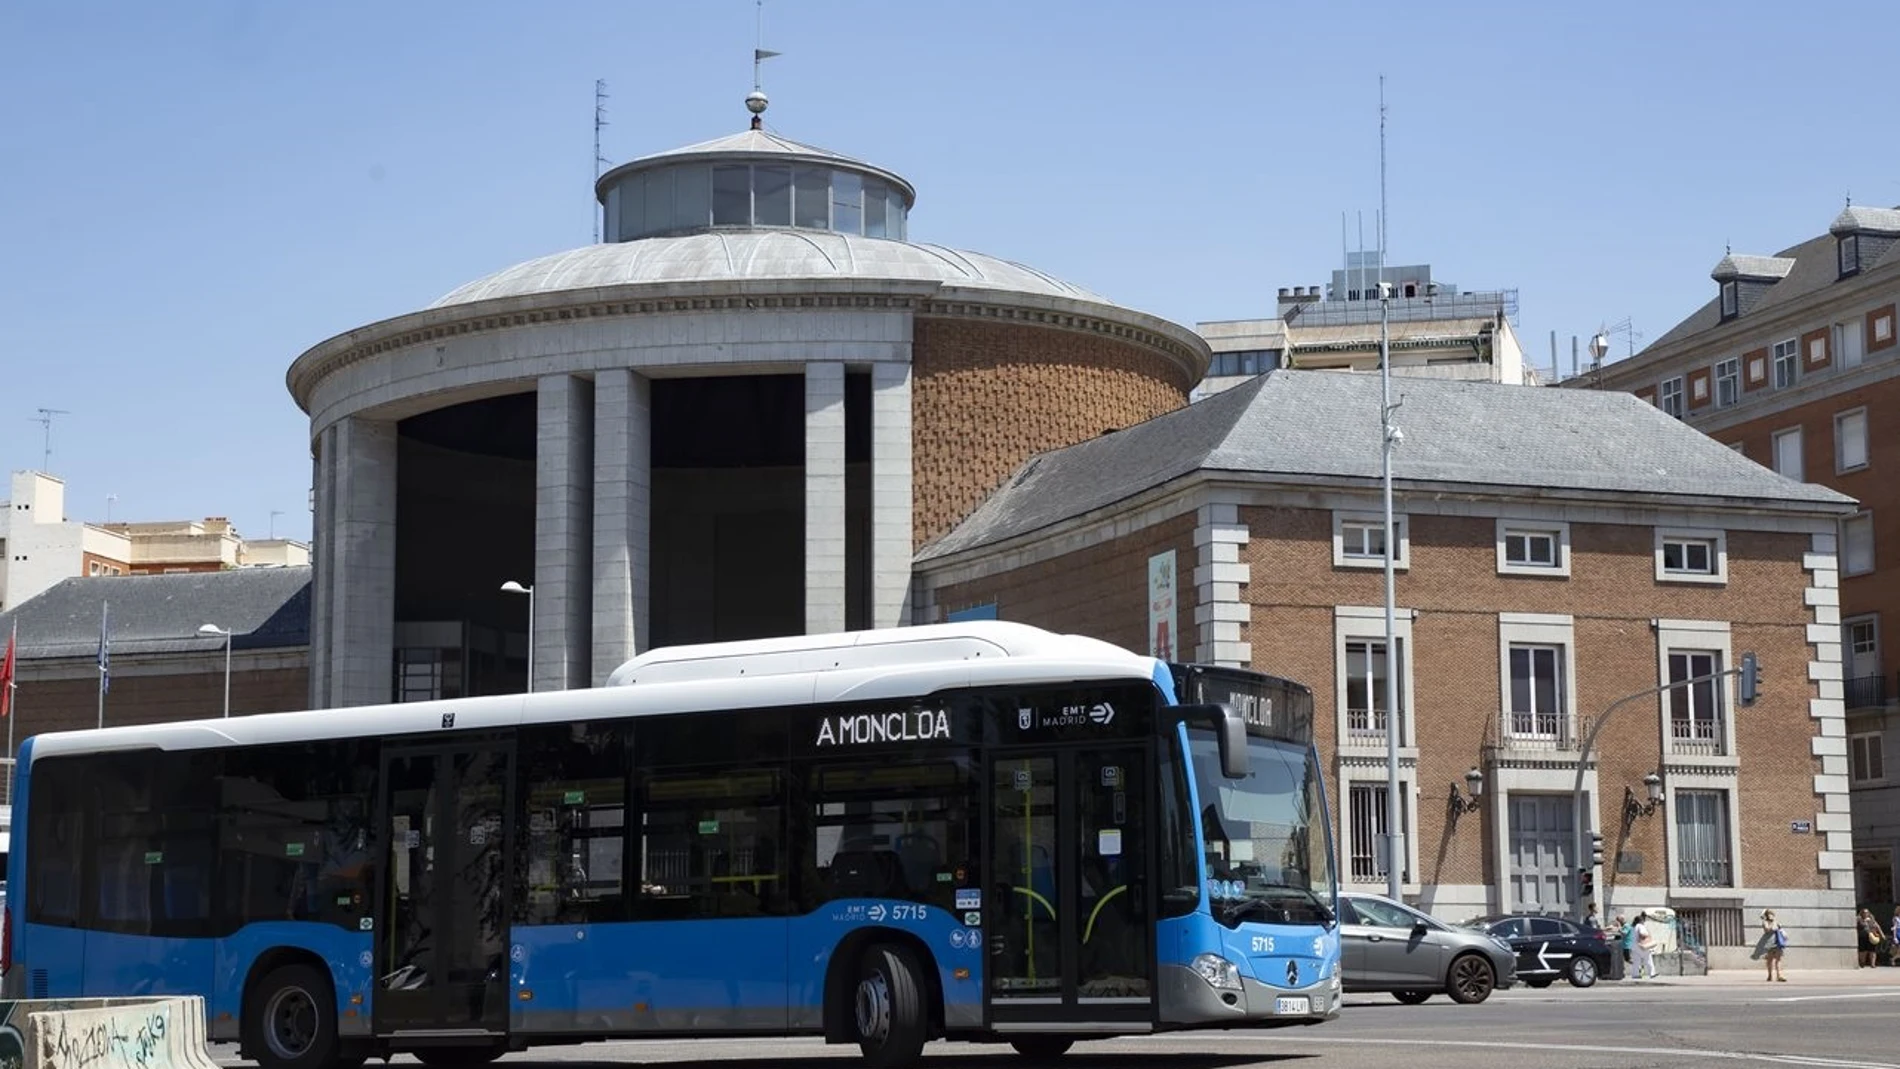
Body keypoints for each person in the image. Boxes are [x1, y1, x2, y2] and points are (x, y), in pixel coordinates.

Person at [1760, 909, 1786, 982]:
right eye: (1769, 914)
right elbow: (1767, 929)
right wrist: (1773, 926)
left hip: (1777, 943)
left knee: (1778, 960)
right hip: (1769, 944)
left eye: (1772, 914)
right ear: (1767, 915)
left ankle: (1779, 975)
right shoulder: (1765, 922)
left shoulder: (1776, 922)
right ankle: (1770, 975)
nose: (1771, 916)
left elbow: (1780, 930)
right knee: (1769, 960)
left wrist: (1778, 926)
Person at [1631, 912, 1658, 979]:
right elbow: (1643, 934)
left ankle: (1635, 974)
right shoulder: (1640, 926)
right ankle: (1652, 973)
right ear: (1641, 921)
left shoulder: (1634, 927)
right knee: (1648, 960)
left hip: (1635, 947)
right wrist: (1648, 935)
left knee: (1636, 962)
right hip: (1642, 946)